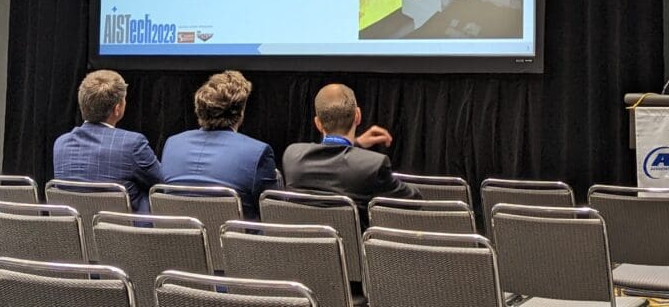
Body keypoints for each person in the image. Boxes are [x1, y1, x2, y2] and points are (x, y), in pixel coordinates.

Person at [282, 83, 420, 224]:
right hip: (354, 246)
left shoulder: (292, 156)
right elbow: (413, 201)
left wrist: (356, 143)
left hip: (303, 246)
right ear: (358, 116)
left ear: (318, 123)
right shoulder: (372, 165)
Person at [161, 70, 279, 218]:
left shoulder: (172, 144)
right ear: (241, 112)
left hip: (177, 240)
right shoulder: (258, 152)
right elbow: (274, 212)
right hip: (238, 240)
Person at [54, 70, 163, 212]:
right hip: (125, 231)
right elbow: (163, 185)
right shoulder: (133, 144)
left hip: (75, 231)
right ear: (117, 109)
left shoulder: (61, 144)